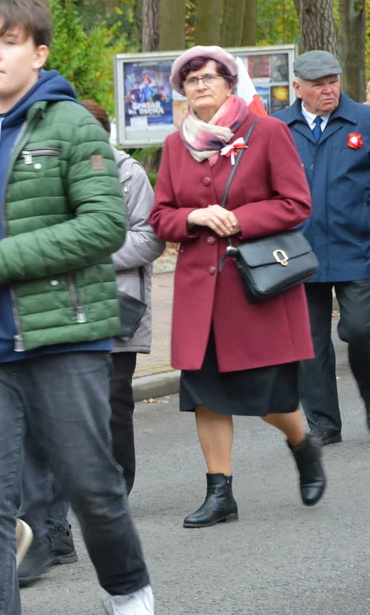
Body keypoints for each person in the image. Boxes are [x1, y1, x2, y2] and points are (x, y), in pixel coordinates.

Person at [0, 0, 153, 615]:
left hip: (63, 339)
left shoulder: (71, 124)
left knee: (91, 488)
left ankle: (129, 593)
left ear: (39, 52)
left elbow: (106, 226)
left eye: (9, 42)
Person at [150, 45, 326, 530]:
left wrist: (238, 220)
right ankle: (220, 493)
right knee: (204, 394)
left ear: (230, 83)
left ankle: (302, 444)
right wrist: (193, 216)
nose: (200, 85)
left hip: (254, 289)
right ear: (182, 91)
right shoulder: (173, 145)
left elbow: (296, 204)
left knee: (267, 397)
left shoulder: (266, 133)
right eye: (191, 80)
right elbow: (161, 215)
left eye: (210, 77)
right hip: (198, 295)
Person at [15, 100, 164, 586]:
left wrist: (84, 255)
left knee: (111, 409)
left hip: (113, 307)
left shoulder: (127, 172)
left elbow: (149, 238)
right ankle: (56, 527)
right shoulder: (42, 171)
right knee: (53, 420)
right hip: (56, 311)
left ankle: (112, 500)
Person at [274, 51, 370, 445]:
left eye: (333, 81)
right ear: (298, 87)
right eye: (318, 84)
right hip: (299, 254)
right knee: (309, 343)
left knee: (362, 330)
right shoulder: (277, 127)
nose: (328, 90)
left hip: (357, 250)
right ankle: (324, 425)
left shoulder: (363, 121)